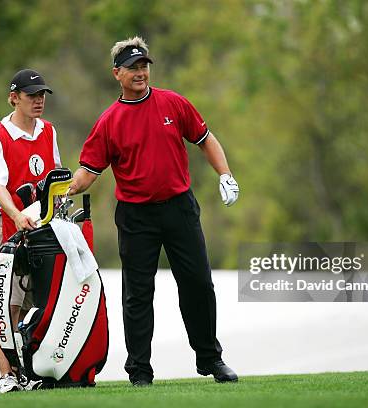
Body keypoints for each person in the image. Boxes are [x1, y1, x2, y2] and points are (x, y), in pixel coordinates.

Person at [69, 36, 240, 386]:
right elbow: (89, 170)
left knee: (198, 285)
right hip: (136, 216)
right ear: (117, 73)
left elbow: (205, 138)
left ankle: (211, 359)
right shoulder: (109, 121)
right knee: (137, 294)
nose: (140, 72)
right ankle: (140, 371)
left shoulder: (173, 104)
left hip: (179, 208)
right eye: (133, 67)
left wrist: (226, 174)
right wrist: (66, 189)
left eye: (144, 65)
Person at [0, 69, 61, 393]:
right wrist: (15, 214)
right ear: (14, 98)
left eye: (42, 95)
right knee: (9, 303)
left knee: (40, 301)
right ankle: (7, 376)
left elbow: (54, 179)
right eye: (31, 96)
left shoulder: (49, 131)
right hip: (8, 228)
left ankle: (31, 370)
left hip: (41, 228)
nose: (39, 101)